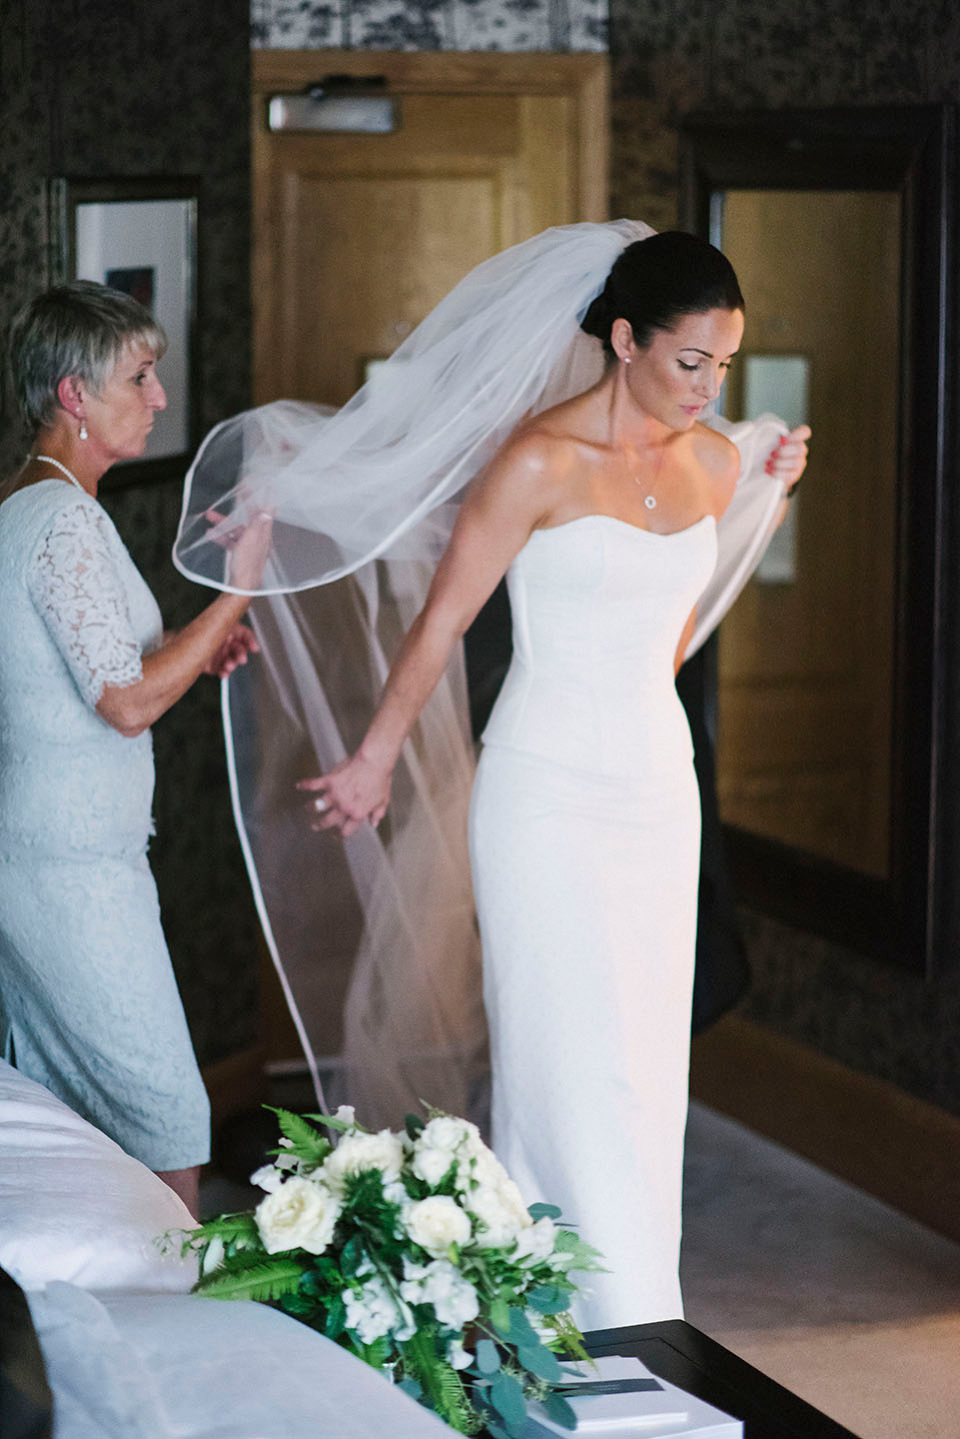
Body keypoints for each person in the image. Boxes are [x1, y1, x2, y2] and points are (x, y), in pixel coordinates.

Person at [288, 230, 806, 1327]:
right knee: (561, 1058)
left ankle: (642, 1313)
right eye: (688, 363)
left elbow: (667, 639)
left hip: (656, 791)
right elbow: (444, 621)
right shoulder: (535, 460)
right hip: (544, 791)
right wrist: (376, 755)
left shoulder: (713, 464)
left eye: (725, 366)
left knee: (646, 1068)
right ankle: (546, 1311)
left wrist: (768, 487)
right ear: (624, 340)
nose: (707, 389)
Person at [0, 280, 271, 1216]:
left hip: (45, 854)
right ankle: (171, 1334)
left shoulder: (28, 506)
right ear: (75, 395)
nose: (160, 396)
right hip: (70, 868)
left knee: (71, 1103)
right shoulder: (67, 519)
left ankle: (83, 1321)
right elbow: (120, 702)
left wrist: (193, 651)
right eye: (141, 376)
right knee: (164, 1110)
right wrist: (237, 593)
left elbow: (100, 669)